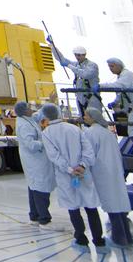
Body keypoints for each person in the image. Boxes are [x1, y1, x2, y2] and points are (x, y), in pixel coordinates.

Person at [40, 102, 106, 249]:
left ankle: (81, 238)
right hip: (83, 172)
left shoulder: (47, 133)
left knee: (73, 207)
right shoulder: (74, 129)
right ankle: (99, 240)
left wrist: (70, 170)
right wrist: (82, 165)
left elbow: (54, 156)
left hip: (66, 175)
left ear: (46, 116)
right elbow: (88, 149)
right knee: (90, 206)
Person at [83, 105, 133, 247]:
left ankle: (119, 239)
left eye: (86, 115)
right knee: (119, 203)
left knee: (111, 204)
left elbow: (89, 154)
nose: (84, 117)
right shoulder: (108, 133)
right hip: (115, 170)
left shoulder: (91, 133)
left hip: (102, 172)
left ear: (93, 118)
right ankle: (127, 237)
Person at [15, 101, 55, 225]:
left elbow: (39, 114)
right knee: (40, 187)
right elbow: (31, 145)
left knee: (34, 186)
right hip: (35, 160)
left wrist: (50, 102)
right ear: (24, 111)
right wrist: (46, 143)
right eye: (28, 107)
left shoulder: (28, 119)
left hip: (36, 160)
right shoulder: (24, 125)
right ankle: (44, 218)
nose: (31, 108)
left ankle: (35, 215)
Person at [53, 44, 102, 114]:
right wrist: (54, 47)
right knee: (84, 118)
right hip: (80, 97)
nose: (77, 57)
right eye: (75, 55)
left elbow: (85, 74)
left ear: (84, 55)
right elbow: (61, 59)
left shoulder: (92, 65)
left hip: (92, 97)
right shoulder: (76, 64)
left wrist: (69, 66)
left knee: (95, 117)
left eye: (79, 55)